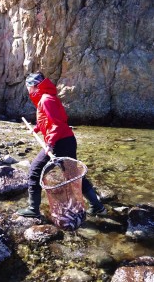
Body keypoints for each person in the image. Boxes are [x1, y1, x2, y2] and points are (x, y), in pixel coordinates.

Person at [17, 71, 106, 219]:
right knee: (73, 175)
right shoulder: (47, 98)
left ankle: (33, 209)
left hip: (60, 142)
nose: (27, 89)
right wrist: (37, 129)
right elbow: (52, 120)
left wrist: (50, 143)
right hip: (66, 140)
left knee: (34, 171)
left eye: (28, 86)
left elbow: (58, 123)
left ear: (33, 86)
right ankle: (98, 207)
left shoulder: (46, 100)